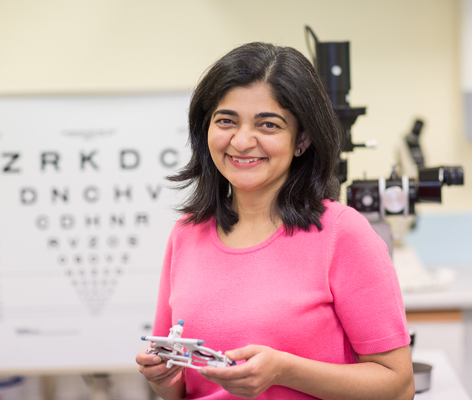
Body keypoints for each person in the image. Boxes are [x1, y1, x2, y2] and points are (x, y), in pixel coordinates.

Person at [136, 42, 414, 400]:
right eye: (226, 121)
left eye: (268, 124)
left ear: (302, 139)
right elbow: (181, 385)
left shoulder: (342, 234)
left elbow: (398, 386)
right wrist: (163, 378)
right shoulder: (187, 234)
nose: (242, 141)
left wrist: (285, 371)